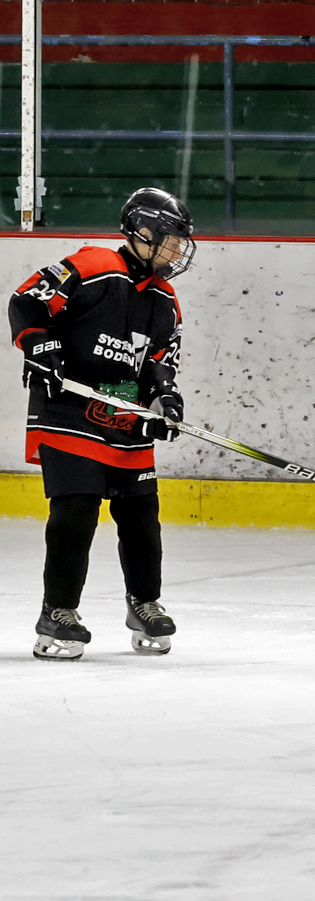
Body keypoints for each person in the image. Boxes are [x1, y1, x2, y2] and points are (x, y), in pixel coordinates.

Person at [8, 187, 194, 660]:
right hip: (67, 409)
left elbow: (158, 364)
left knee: (141, 515)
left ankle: (144, 603)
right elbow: (26, 301)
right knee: (77, 510)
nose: (178, 251)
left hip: (120, 415)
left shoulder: (165, 299)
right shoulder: (94, 266)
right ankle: (57, 612)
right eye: (172, 240)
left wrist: (164, 400)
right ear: (143, 233)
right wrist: (39, 344)